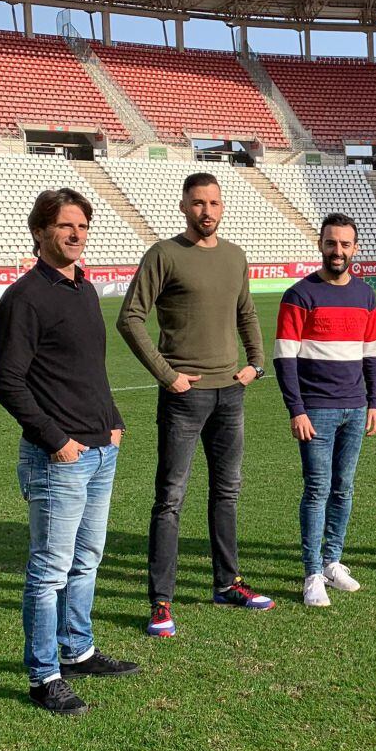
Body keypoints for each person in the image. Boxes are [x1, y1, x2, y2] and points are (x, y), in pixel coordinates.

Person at [0, 188, 138, 715]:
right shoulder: (25, 297)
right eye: (65, 226)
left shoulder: (85, 289)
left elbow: (88, 372)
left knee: (86, 561)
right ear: (40, 232)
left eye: (82, 227)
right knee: (49, 569)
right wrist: (56, 440)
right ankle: (43, 674)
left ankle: (77, 651)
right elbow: (7, 382)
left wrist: (113, 422)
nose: (76, 235)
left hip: (101, 450)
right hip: (59, 458)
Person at [117, 172, 274, 638]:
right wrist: (168, 375)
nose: (207, 211)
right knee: (170, 499)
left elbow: (246, 312)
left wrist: (256, 363)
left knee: (227, 492)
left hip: (232, 393)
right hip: (185, 398)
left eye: (214, 203)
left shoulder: (235, 256)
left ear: (222, 207)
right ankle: (161, 601)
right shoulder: (164, 254)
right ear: (183, 206)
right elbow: (130, 319)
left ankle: (227, 583)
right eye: (198, 203)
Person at [273, 213, 376, 607]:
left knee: (344, 488)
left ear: (355, 248)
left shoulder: (365, 295)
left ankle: (333, 561)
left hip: (355, 408)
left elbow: (372, 355)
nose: (338, 251)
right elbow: (284, 359)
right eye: (331, 243)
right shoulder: (299, 294)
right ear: (321, 245)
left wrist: (375, 402)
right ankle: (312, 572)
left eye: (345, 244)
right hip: (316, 410)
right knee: (317, 489)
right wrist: (296, 409)